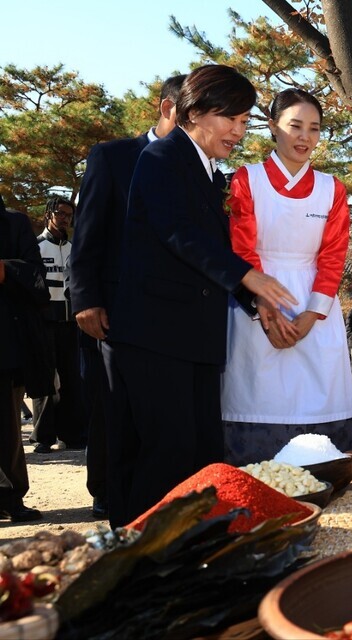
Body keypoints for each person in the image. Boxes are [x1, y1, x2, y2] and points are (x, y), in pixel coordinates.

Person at [103, 65, 295, 528]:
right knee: (165, 454)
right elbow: (180, 234)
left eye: (246, 121)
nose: (239, 130)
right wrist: (250, 278)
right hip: (156, 335)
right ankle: (140, 556)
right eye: (231, 117)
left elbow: (218, 249)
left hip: (197, 338)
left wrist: (256, 301)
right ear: (195, 111)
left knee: (202, 454)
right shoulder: (162, 158)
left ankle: (191, 555)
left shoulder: (212, 173)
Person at [221, 87, 352, 466]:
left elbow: (333, 256)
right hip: (255, 300)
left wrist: (311, 315)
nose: (305, 137)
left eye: (314, 129)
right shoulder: (246, 180)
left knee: (319, 401)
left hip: (316, 303)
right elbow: (242, 249)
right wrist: (264, 307)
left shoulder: (332, 189)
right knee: (258, 395)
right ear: (272, 127)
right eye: (295, 126)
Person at [70, 73, 185, 519]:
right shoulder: (113, 157)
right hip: (117, 313)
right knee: (120, 412)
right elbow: (88, 234)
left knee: (170, 424)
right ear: (167, 108)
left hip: (179, 318)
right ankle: (118, 507)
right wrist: (85, 298)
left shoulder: (206, 170)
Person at [1, 194, 48, 522]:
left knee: (5, 426)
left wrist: (4, 271)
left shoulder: (14, 224)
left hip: (5, 344)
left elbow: (37, 276)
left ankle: (10, 497)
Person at [31, 196, 85, 453]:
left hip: (70, 321)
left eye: (68, 215)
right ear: (49, 213)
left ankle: (73, 434)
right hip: (44, 321)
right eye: (60, 213)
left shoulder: (75, 247)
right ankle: (43, 437)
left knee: (72, 377)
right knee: (45, 378)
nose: (65, 219)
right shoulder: (36, 246)